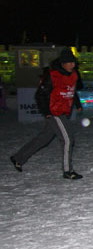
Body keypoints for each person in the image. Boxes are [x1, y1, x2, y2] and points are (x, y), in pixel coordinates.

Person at [10, 48, 83, 179]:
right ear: (63, 63)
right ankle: (68, 171)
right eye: (70, 63)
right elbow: (40, 95)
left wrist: (77, 104)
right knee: (68, 139)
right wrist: (47, 112)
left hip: (63, 111)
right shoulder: (52, 75)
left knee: (43, 139)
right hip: (54, 112)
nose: (73, 65)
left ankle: (18, 158)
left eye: (74, 63)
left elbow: (72, 90)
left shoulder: (73, 75)